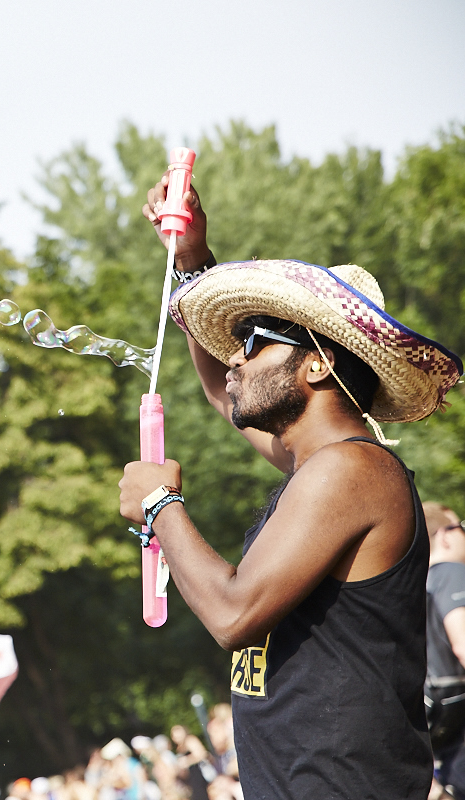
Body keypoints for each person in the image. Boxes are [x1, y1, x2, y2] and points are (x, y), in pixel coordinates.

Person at [118, 174, 463, 799]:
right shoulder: (321, 467)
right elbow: (223, 393)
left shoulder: (352, 471)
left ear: (318, 363)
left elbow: (234, 615)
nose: (236, 358)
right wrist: (192, 260)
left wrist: (160, 506)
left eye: (255, 342)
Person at [426, 502, 465, 793]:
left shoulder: (416, 581)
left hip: (426, 703)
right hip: (451, 699)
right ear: (444, 535)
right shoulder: (451, 572)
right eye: (460, 527)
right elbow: (463, 642)